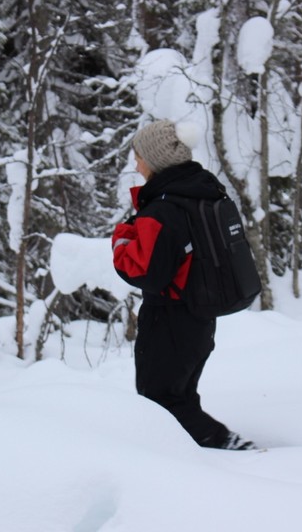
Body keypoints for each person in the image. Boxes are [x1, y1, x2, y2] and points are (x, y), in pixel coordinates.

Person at [111, 119, 256, 450]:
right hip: (198, 318)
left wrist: (121, 238)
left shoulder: (163, 209)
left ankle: (229, 449)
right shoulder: (201, 192)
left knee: (160, 401)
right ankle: (209, 454)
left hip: (169, 320)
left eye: (139, 156)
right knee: (180, 396)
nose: (136, 163)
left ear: (155, 159)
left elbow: (145, 272)